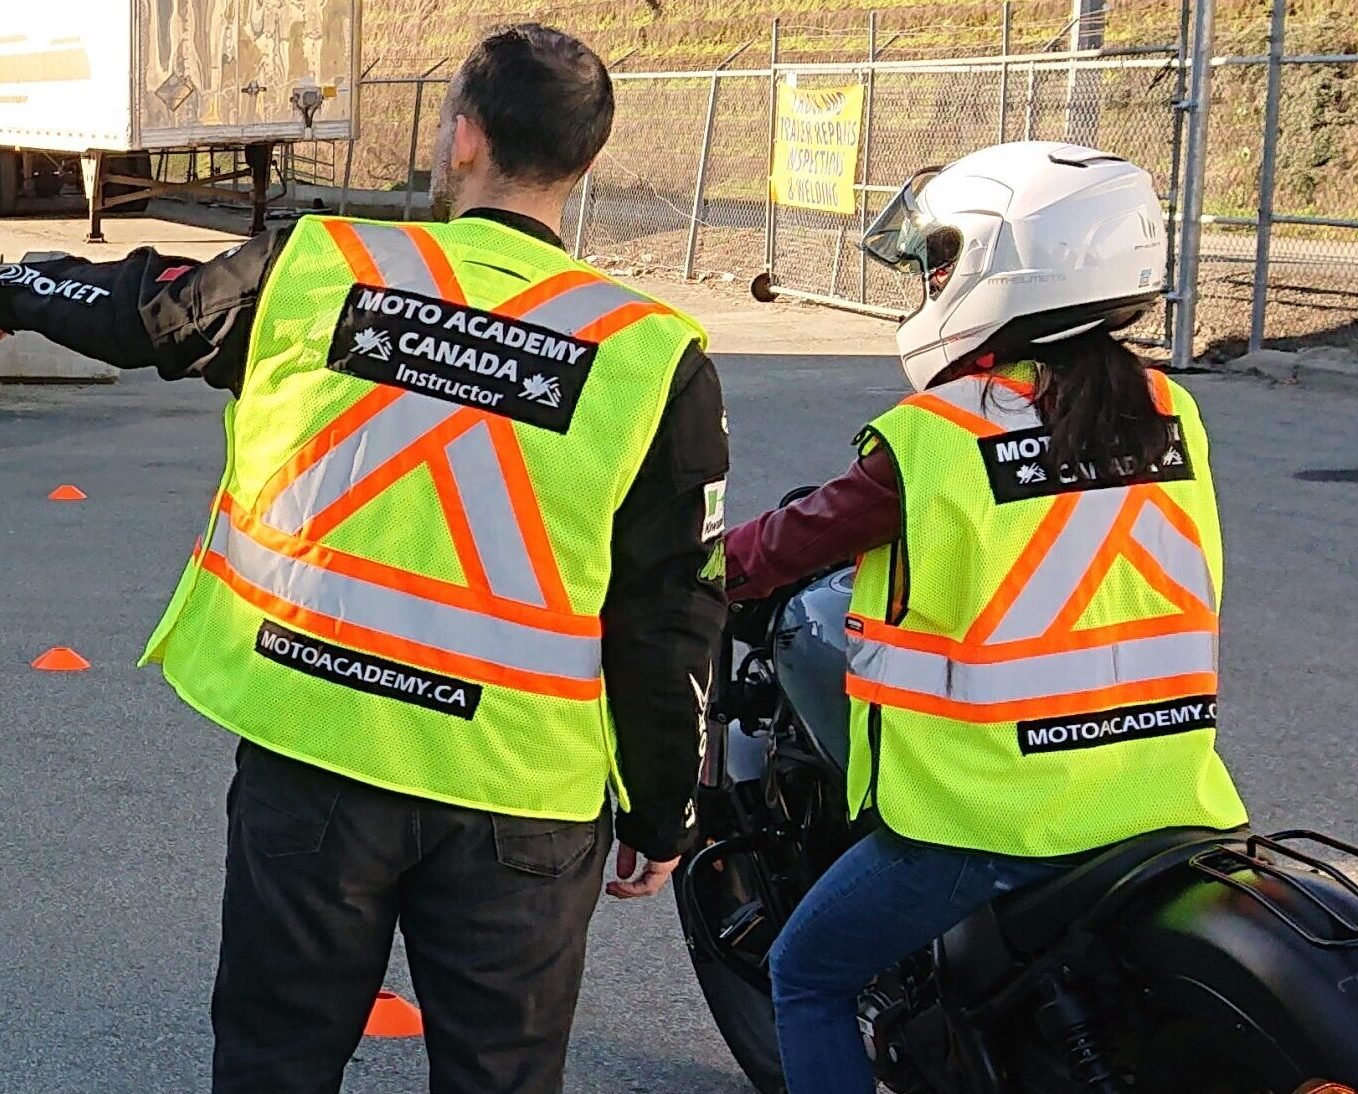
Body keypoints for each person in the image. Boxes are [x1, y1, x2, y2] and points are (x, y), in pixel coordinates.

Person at [0, 24, 728, 1094]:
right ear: (583, 161)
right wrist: (669, 810)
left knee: (276, 1061)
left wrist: (16, 276)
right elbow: (672, 619)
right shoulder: (652, 353)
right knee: (502, 1076)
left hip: (319, 751)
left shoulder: (325, 268)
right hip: (520, 790)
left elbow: (143, 311)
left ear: (462, 138)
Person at [723, 142, 1249, 1094]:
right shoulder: (1167, 409)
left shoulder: (940, 439)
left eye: (939, 261)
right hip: (1159, 791)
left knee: (807, 974)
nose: (928, 281)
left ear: (1000, 267)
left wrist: (691, 569)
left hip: (992, 820)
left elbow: (790, 543)